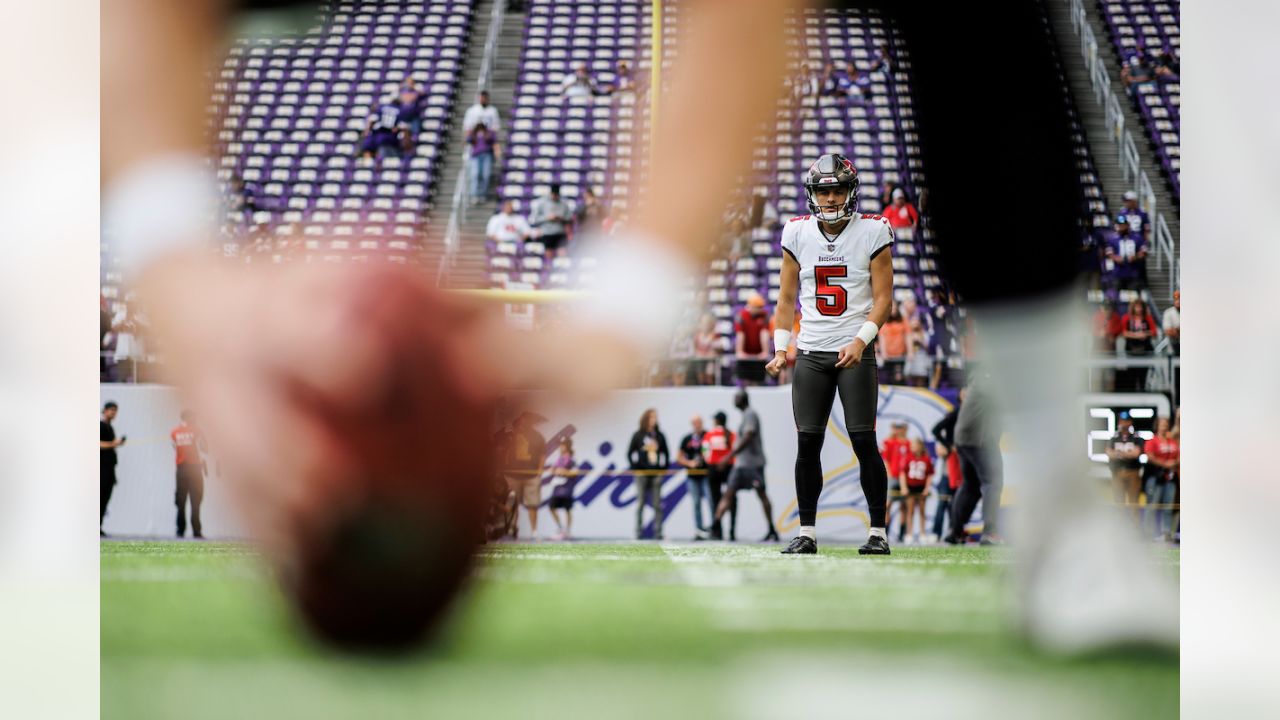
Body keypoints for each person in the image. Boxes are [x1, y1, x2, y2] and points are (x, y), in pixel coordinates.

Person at [760, 153, 894, 555]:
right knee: (807, 445)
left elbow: (885, 299)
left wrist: (861, 340)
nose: (831, 198)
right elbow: (785, 299)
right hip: (812, 351)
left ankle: (878, 533)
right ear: (812, 194)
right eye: (824, 190)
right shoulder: (797, 232)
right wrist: (781, 347)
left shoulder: (873, 230)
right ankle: (807, 532)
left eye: (837, 190)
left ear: (851, 192)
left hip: (854, 349)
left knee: (863, 441)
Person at [711, 390, 779, 542]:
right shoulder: (744, 416)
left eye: (736, 398)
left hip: (753, 465)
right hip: (740, 465)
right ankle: (715, 526)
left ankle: (772, 529)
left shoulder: (750, 414)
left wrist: (729, 456)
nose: (734, 400)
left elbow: (749, 436)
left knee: (762, 494)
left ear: (743, 399)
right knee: (728, 493)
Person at [944, 374, 1004, 545]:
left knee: (971, 486)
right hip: (981, 439)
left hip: (965, 439)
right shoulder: (991, 379)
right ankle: (990, 532)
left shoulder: (980, 379)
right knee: (993, 483)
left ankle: (955, 532)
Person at [628, 409, 670, 540]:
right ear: (646, 419)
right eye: (652, 417)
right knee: (640, 502)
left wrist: (663, 468)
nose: (654, 419)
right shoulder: (638, 435)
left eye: (655, 417)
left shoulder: (659, 435)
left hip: (656, 473)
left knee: (657, 504)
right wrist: (635, 467)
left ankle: (658, 531)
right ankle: (638, 531)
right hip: (642, 473)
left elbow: (666, 453)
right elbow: (630, 452)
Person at [507, 411, 548, 540]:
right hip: (514, 475)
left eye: (526, 420)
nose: (523, 422)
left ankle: (534, 531)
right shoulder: (512, 435)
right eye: (522, 419)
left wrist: (539, 472)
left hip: (532, 475)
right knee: (512, 504)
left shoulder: (538, 437)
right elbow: (505, 452)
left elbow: (542, 455)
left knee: (532, 505)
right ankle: (512, 528)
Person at [1143, 416, 1179, 542]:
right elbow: (1150, 456)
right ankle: (1147, 533)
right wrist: (1165, 464)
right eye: (1161, 424)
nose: (1164, 426)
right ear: (1157, 426)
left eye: (1166, 424)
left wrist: (1175, 463)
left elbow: (1179, 454)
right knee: (1152, 505)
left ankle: (1166, 532)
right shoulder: (1152, 441)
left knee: (1168, 507)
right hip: (1155, 477)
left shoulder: (1172, 441)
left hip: (1170, 478)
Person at [701, 411, 737, 540]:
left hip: (714, 469)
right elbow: (736, 451)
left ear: (716, 421)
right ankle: (732, 531)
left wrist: (713, 462)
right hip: (729, 469)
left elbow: (705, 452)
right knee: (731, 499)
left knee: (716, 500)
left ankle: (718, 531)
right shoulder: (732, 434)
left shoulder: (709, 434)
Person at [170, 410, 205, 538]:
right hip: (195, 469)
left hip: (181, 469)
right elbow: (205, 448)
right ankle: (197, 531)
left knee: (181, 501)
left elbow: (174, 447)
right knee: (196, 500)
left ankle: (180, 530)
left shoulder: (174, 432)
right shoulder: (197, 430)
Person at [1105, 412, 1144, 525]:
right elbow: (1108, 453)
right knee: (1119, 502)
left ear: (1130, 422)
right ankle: (1120, 530)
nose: (1124, 424)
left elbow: (1136, 453)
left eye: (1126, 421)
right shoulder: (1113, 438)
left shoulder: (1136, 438)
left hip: (1133, 473)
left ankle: (1134, 529)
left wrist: (1118, 453)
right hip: (1117, 472)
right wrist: (1126, 453)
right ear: (1119, 422)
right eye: (1122, 421)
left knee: (1134, 503)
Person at [676, 415, 710, 539]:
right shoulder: (687, 438)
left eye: (699, 422)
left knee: (711, 502)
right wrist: (689, 463)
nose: (697, 425)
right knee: (696, 503)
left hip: (706, 475)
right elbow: (679, 457)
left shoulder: (708, 436)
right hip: (692, 476)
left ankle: (714, 529)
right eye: (695, 423)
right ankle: (699, 530)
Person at [881, 420, 911, 540]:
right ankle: (885, 532)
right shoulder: (890, 442)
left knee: (904, 506)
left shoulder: (909, 443)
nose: (899, 430)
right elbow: (885, 458)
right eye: (897, 428)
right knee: (888, 505)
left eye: (901, 428)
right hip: (893, 476)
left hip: (905, 478)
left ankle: (902, 535)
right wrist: (888, 473)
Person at [1103, 214, 1148, 296]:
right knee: (1116, 297)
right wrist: (1116, 258)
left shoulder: (1137, 237)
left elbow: (1144, 251)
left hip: (1133, 273)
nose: (1121, 227)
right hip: (1118, 273)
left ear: (1128, 225)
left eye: (1123, 225)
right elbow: (1108, 252)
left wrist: (1136, 257)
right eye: (1119, 225)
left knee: (1133, 296)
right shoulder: (1113, 238)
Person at [901, 438, 934, 545]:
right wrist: (904, 487)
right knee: (910, 511)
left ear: (920, 446)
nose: (912, 448)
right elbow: (902, 473)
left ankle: (922, 534)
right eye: (912, 446)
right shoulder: (908, 457)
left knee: (922, 511)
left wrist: (926, 489)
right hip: (910, 488)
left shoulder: (926, 459)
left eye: (914, 445)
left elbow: (930, 474)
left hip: (921, 488)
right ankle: (909, 534)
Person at [1119, 298, 1157, 391]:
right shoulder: (1126, 318)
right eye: (1136, 307)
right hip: (1131, 350)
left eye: (1140, 307)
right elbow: (1123, 332)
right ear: (1133, 307)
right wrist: (1135, 335)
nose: (1139, 309)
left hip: (1145, 350)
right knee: (1131, 374)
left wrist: (1145, 334)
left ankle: (1143, 394)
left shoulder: (1148, 318)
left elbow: (1154, 332)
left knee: (1143, 375)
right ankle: (1132, 395)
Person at [100, 401, 126, 535]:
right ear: (104, 410)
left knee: (105, 498)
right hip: (101, 469)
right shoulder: (100, 426)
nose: (113, 413)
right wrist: (113, 443)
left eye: (115, 410)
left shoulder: (110, 427)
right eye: (111, 410)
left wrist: (117, 444)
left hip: (109, 469)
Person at [734, 293, 772, 386]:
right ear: (750, 306)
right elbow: (740, 334)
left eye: (761, 307)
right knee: (745, 380)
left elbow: (764, 334)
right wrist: (740, 351)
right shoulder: (741, 316)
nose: (761, 309)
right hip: (746, 353)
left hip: (758, 354)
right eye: (758, 307)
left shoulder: (764, 315)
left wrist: (765, 352)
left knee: (758, 381)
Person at [528, 183, 572, 259]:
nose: (555, 196)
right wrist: (547, 218)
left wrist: (561, 218)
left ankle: (561, 270)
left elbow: (569, 218)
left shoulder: (564, 203)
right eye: (554, 194)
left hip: (560, 232)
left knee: (563, 254)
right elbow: (535, 219)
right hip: (547, 233)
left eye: (557, 195)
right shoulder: (542, 203)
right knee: (548, 255)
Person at [546, 437, 577, 541]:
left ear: (567, 446)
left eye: (563, 445)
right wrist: (554, 470)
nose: (561, 447)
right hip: (558, 487)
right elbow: (553, 469)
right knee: (551, 507)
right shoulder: (559, 459)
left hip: (567, 487)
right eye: (560, 445)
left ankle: (567, 531)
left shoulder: (572, 459)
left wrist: (565, 472)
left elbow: (575, 472)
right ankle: (560, 528)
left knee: (567, 509)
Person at [466, 121, 500, 205]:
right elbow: (468, 140)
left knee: (486, 175)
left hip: (486, 155)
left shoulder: (489, 133)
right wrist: (473, 133)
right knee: (475, 175)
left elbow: (494, 142)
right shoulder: (474, 133)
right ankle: (474, 195)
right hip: (476, 156)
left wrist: (497, 153)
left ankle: (483, 195)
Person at [876, 302, 908, 384]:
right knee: (887, 377)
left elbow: (907, 335)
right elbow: (882, 338)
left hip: (900, 355)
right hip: (888, 356)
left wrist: (910, 351)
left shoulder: (903, 320)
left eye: (895, 308)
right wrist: (883, 353)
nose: (894, 310)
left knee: (899, 378)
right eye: (892, 309)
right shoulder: (883, 321)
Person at [691, 313, 720, 385]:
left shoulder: (715, 335)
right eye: (703, 323)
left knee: (709, 377)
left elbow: (718, 349)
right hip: (700, 360)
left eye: (707, 323)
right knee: (700, 377)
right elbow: (694, 348)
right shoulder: (697, 335)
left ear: (711, 324)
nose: (705, 325)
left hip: (711, 360)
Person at [1162, 290, 1180, 355]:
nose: (1178, 301)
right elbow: (1168, 331)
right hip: (1173, 347)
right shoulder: (1168, 312)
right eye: (1176, 299)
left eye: (1180, 299)